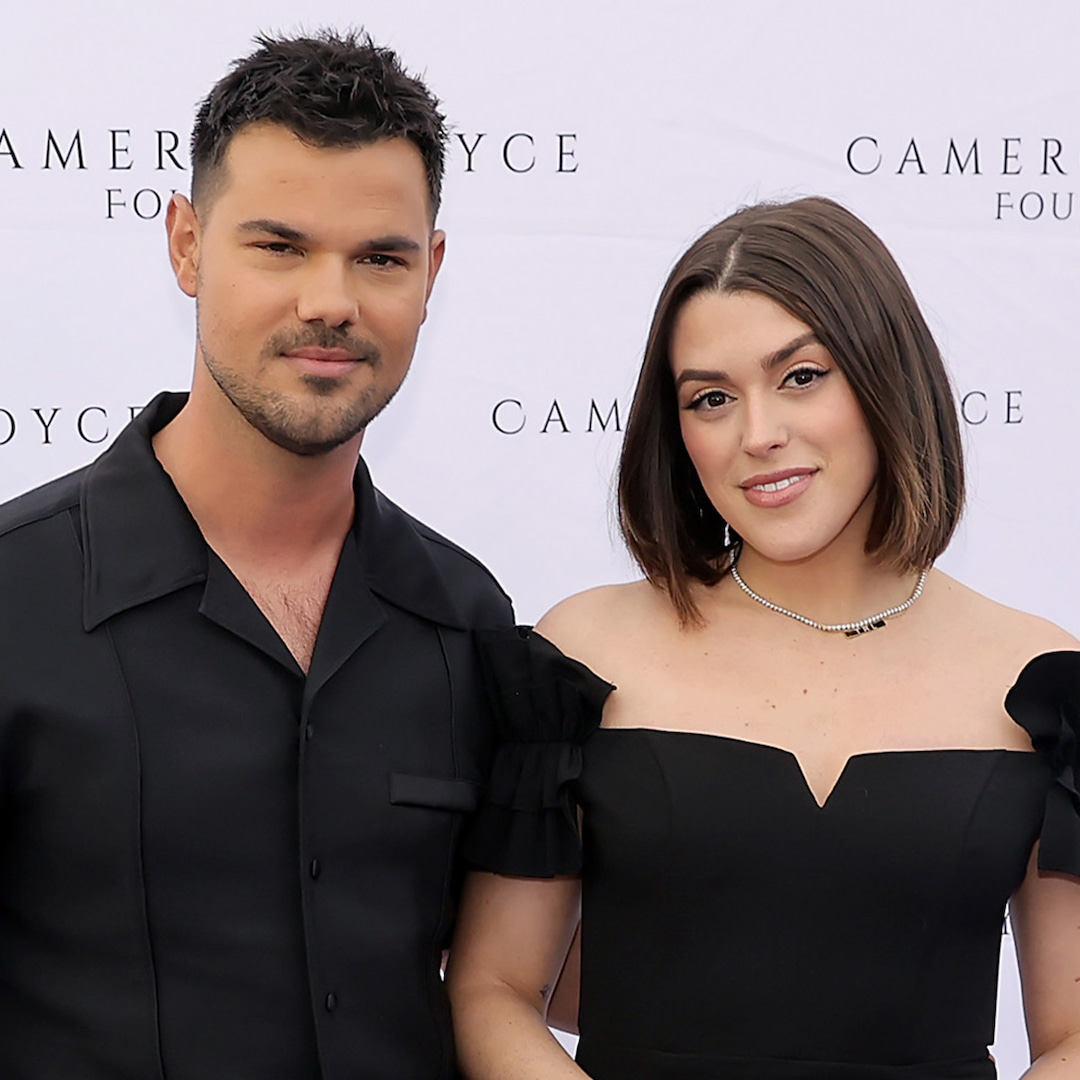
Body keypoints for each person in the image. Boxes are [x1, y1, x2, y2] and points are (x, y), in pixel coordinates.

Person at [447, 197, 1080, 1079]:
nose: (758, 435)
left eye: (802, 376)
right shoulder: (582, 654)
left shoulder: (1040, 680)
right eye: (711, 398)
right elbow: (493, 991)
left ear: (887, 377)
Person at [0, 30, 512, 1079]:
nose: (331, 301)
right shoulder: (14, 596)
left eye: (380, 258)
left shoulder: (469, 621)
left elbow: (507, 980)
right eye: (280, 247)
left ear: (432, 273)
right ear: (186, 245)